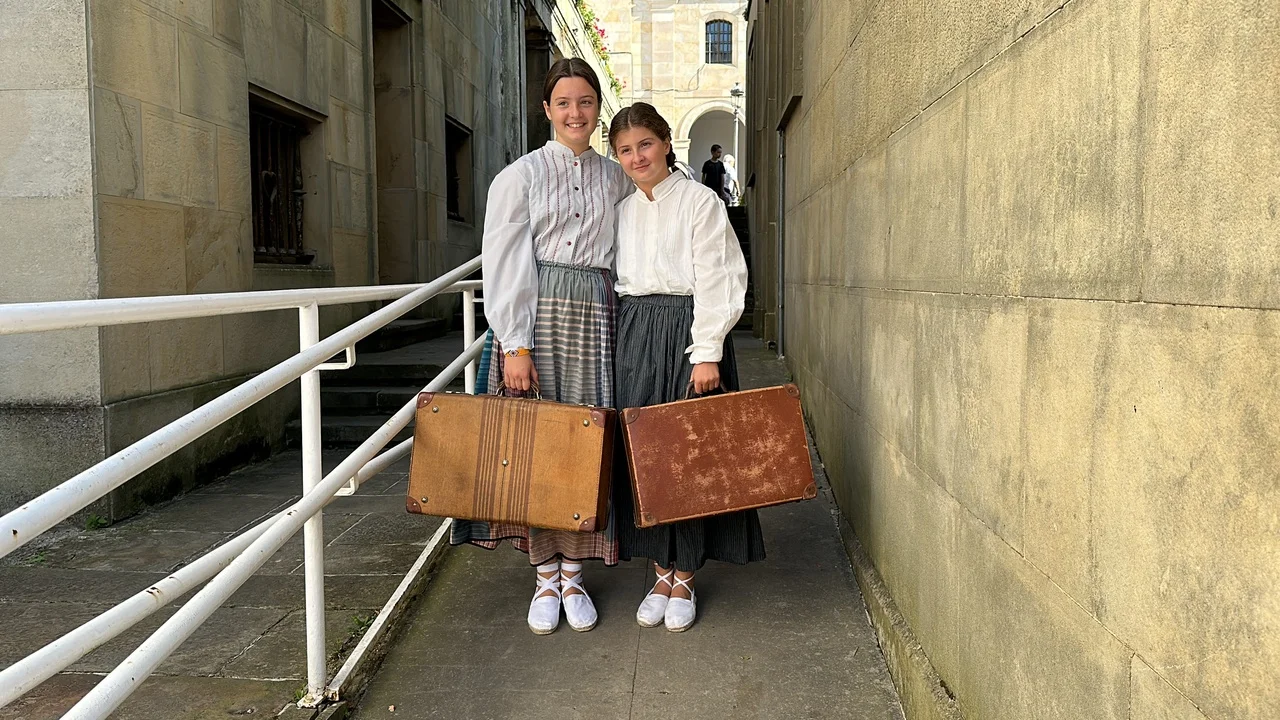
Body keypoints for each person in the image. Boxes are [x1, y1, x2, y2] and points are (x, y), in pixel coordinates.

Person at [451, 58, 632, 635]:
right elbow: (505, 261)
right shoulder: (519, 176)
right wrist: (515, 344)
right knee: (533, 447)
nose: (576, 113)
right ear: (547, 109)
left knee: (584, 446)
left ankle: (573, 572)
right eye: (564, 102)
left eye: (586, 101)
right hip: (539, 317)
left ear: (597, 107)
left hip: (599, 320)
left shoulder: (618, 178)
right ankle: (544, 576)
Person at [608, 103, 765, 632]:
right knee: (647, 454)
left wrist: (707, 351)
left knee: (692, 455)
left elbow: (721, 275)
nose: (637, 157)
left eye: (645, 145)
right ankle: (659, 571)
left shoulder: (700, 202)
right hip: (636, 331)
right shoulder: (623, 210)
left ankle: (687, 574)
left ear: (666, 143)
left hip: (688, 330)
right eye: (625, 150)